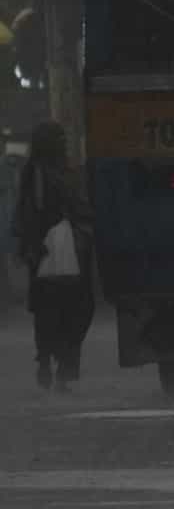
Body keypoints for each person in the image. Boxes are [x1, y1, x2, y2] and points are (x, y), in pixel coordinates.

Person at [11, 122, 94, 392]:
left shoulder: (58, 172)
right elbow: (30, 211)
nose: (64, 143)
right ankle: (56, 364)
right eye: (59, 139)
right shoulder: (40, 172)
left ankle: (54, 363)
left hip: (59, 250)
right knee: (63, 309)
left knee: (57, 310)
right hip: (50, 249)